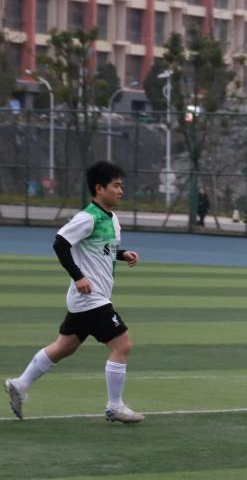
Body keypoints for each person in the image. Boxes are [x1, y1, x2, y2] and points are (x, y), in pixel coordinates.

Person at [4, 161, 144, 423]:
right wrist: (78, 276)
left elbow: (104, 249)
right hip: (91, 298)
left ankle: (20, 384)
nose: (120, 191)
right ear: (99, 188)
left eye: (121, 186)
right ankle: (114, 406)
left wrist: (123, 254)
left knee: (64, 347)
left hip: (88, 299)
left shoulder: (112, 219)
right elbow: (60, 243)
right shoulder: (87, 217)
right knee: (122, 344)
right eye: (116, 186)